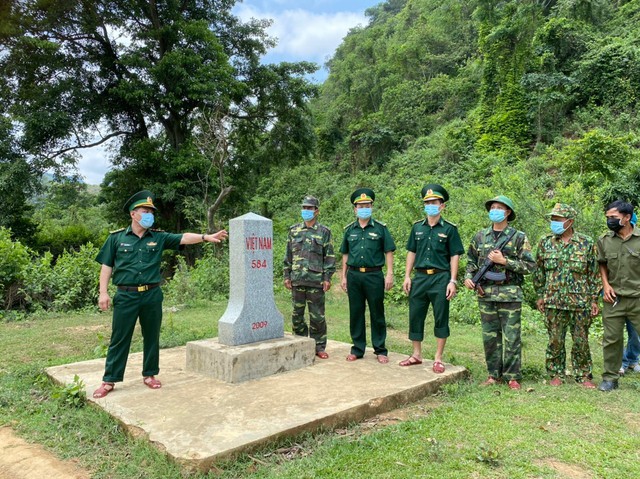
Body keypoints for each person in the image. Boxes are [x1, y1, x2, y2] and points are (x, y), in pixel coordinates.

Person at [92, 190, 228, 399]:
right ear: (133, 214)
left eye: (151, 211)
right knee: (120, 338)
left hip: (151, 295)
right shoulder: (116, 238)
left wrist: (205, 237)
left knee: (152, 336)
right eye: (145, 211)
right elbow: (106, 266)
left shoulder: (159, 237)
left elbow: (183, 237)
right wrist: (103, 293)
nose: (149, 214)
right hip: (126, 295)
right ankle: (109, 379)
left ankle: (150, 375)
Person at [464, 195, 536, 390]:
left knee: (511, 337)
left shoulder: (518, 237)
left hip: (510, 293)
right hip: (485, 294)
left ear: (508, 212)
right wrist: (468, 277)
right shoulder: (480, 236)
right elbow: (470, 262)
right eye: (492, 207)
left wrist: (505, 262)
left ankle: (513, 376)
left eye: (499, 207)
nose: (494, 210)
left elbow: (530, 266)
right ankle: (493, 375)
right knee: (490, 337)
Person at [532, 203, 600, 389]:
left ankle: (583, 374)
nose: (553, 222)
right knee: (555, 340)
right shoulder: (545, 242)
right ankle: (556, 373)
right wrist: (540, 295)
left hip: (580, 302)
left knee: (581, 340)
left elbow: (594, 273)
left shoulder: (586, 243)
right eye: (552, 219)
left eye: (557, 219)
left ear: (570, 221)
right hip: (553, 301)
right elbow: (539, 272)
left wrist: (594, 299)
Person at [399, 184, 464, 373]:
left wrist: (453, 280)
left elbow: (454, 255)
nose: (430, 205)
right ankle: (416, 354)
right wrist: (407, 276)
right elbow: (411, 251)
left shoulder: (450, 229)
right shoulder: (417, 227)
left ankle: (438, 358)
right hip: (419, 278)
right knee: (415, 314)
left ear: (442, 206)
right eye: (427, 202)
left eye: (434, 202)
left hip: (440, 278)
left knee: (441, 316)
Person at [340, 188, 396, 363]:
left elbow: (388, 251)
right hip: (354, 276)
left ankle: (380, 349)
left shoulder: (380, 228)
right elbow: (345, 255)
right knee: (356, 312)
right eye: (360, 205)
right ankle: (357, 349)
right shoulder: (350, 230)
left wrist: (390, 274)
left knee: (377, 312)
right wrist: (343, 276)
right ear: (355, 209)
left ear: (372, 207)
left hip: (374, 276)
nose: (364, 208)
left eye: (367, 205)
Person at [283, 195, 336, 359]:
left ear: (316, 211)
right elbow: (288, 255)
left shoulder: (324, 232)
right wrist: (287, 275)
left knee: (317, 316)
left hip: (316, 280)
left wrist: (327, 277)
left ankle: (319, 346)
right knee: (297, 315)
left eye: (310, 208)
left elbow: (329, 257)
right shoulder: (294, 231)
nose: (306, 211)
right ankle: (300, 343)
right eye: (304, 208)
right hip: (297, 279)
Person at [597, 200, 640, 391]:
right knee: (611, 339)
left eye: (613, 217)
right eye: (607, 217)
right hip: (614, 300)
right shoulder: (605, 240)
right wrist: (605, 285)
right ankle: (610, 379)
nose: (609, 221)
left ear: (627, 217)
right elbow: (602, 263)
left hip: (638, 298)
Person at [620, 212, 640, 375]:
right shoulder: (610, 241)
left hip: (636, 296)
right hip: (617, 296)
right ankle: (621, 362)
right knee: (616, 331)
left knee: (635, 332)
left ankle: (633, 359)